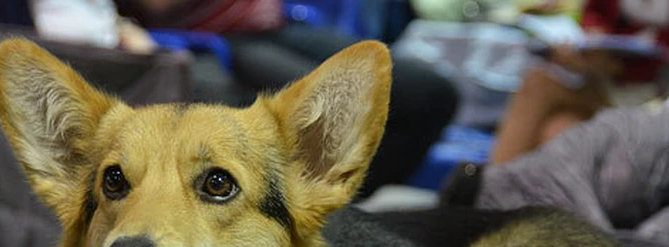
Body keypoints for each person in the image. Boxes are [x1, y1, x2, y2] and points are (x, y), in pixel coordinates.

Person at [30, 0, 460, 196]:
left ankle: (321, 214)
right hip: (202, 39)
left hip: (272, 22)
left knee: (431, 95)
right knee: (307, 123)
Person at [490, 0, 669, 164]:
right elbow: (594, 15)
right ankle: (486, 214)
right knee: (540, 83)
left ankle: (483, 212)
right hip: (611, 78)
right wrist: (595, 41)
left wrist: (624, 62)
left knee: (559, 131)